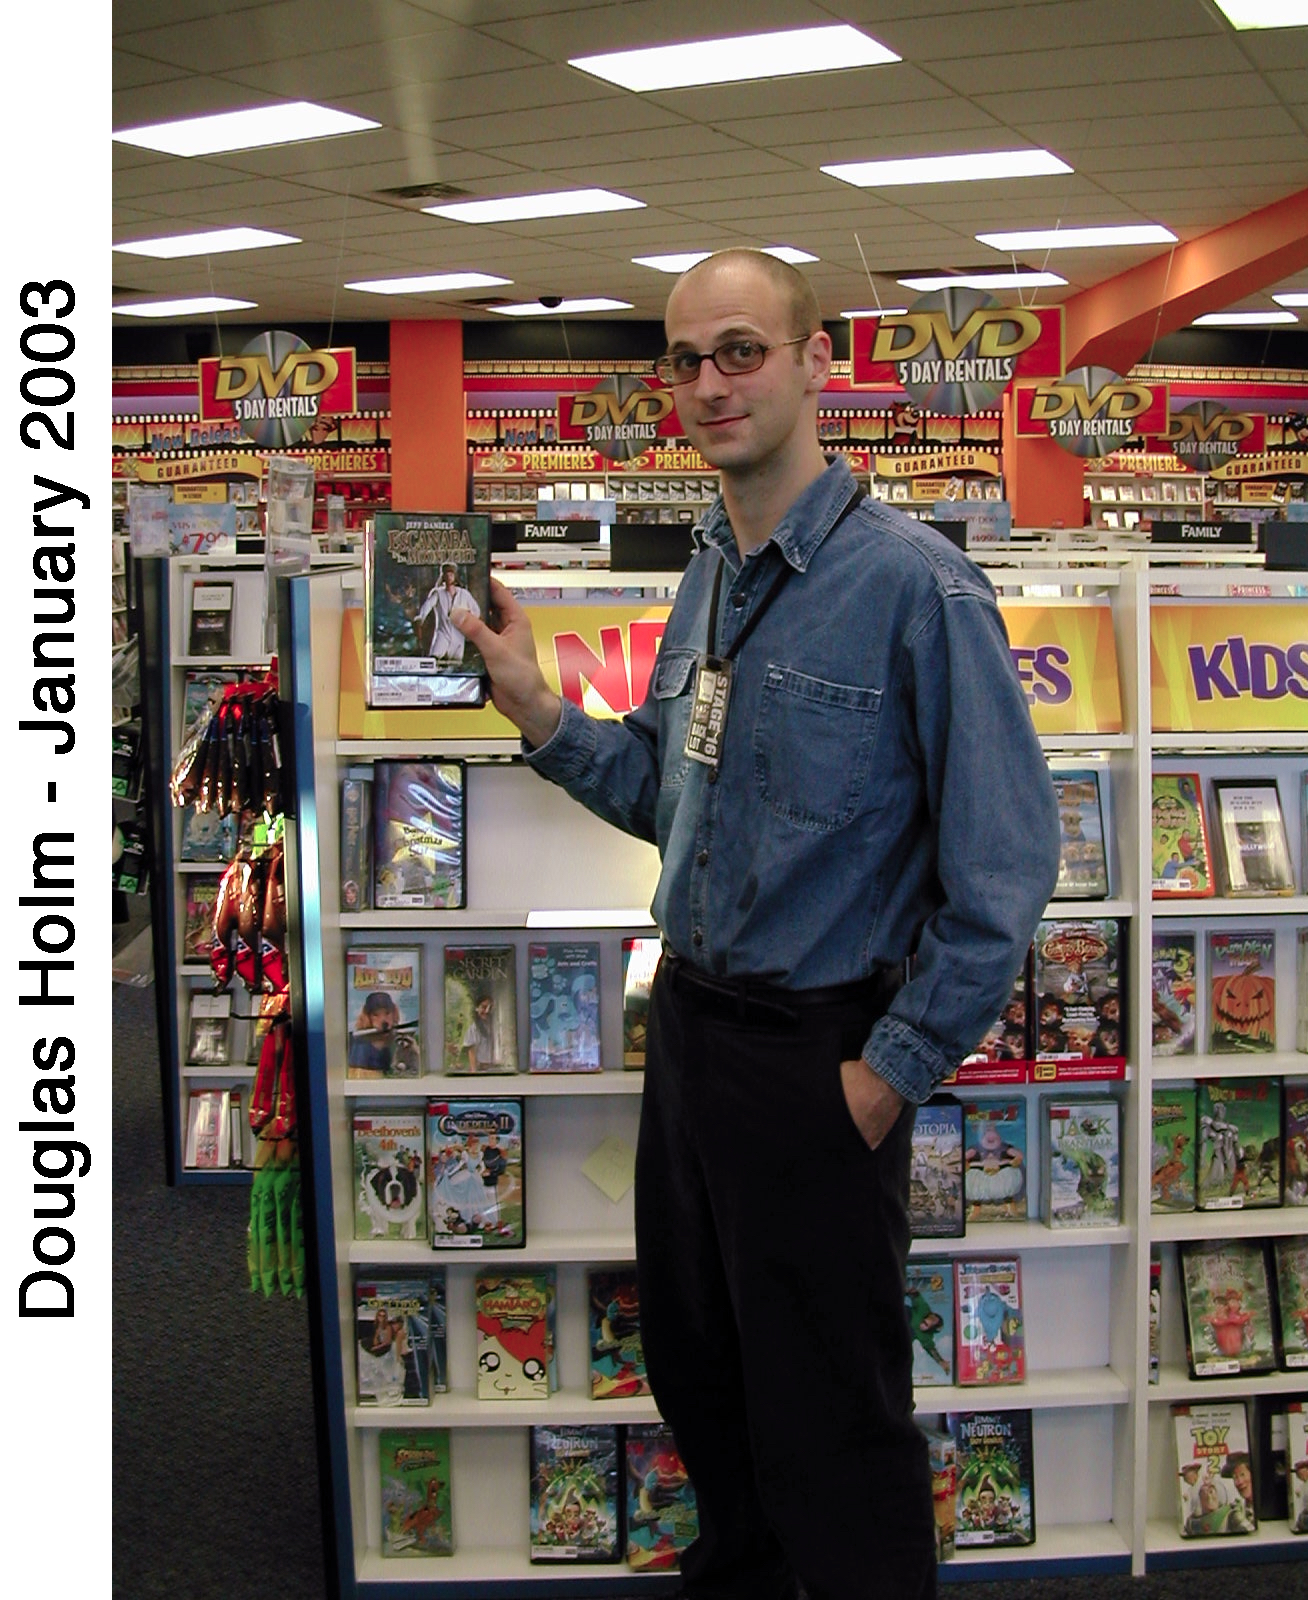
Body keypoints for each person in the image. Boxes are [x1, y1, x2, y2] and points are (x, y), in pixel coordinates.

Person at [451, 248, 1060, 1600]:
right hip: (694, 1038)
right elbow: (673, 798)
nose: (710, 384)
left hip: (818, 1061)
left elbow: (1008, 871)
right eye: (684, 359)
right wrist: (539, 710)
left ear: (814, 360)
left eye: (741, 350)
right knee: (704, 1379)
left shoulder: (918, 591)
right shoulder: (714, 571)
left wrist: (881, 1078)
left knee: (835, 1425)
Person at [416, 562, 479, 660]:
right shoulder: (438, 593)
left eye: (451, 574)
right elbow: (427, 606)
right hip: (442, 632)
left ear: (455, 576)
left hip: (459, 635)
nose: (449, 577)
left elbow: (476, 611)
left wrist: (468, 621)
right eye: (447, 574)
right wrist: (420, 619)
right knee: (434, 658)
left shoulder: (464, 594)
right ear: (443, 576)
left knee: (456, 663)